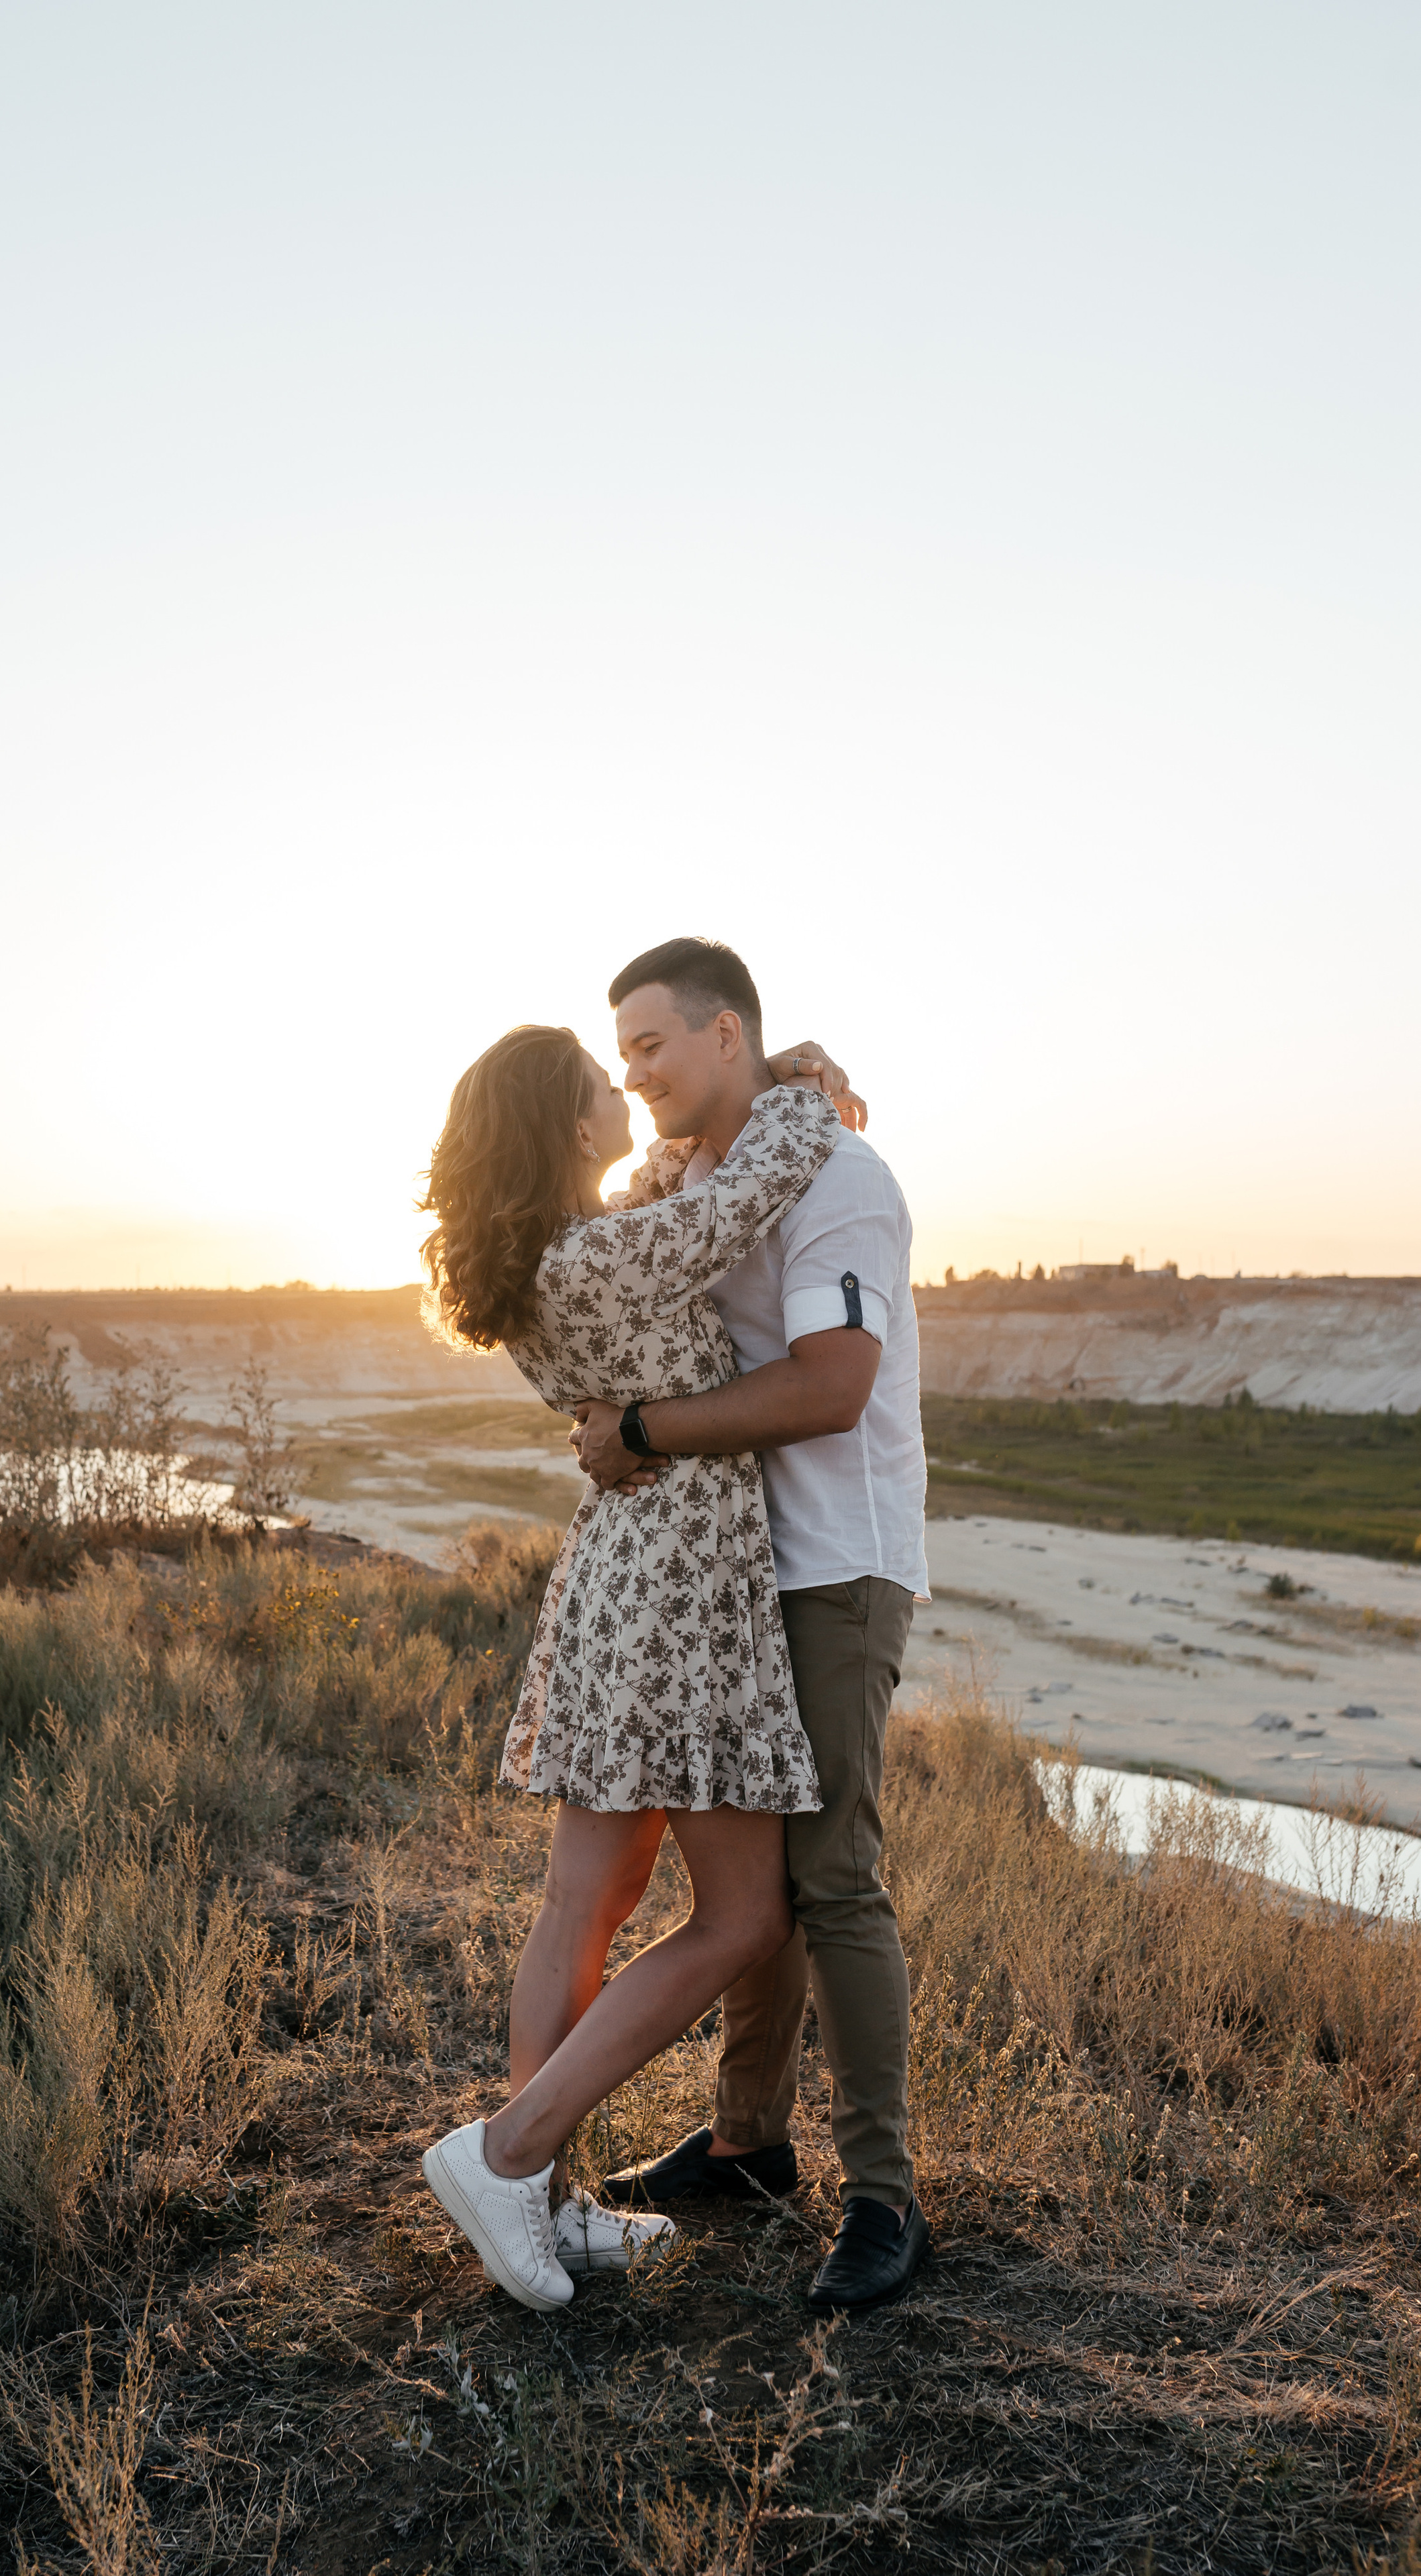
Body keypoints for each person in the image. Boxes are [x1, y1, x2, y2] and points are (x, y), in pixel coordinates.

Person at [416, 1025, 848, 2310]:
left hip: (622, 1577)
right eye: (605, 1080)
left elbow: (671, 1187)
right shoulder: (603, 1257)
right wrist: (797, 1090)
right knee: (743, 1917)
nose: (628, 1091)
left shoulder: (563, 1255)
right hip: (682, 1587)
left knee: (584, 1903)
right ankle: (508, 2155)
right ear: (563, 1121)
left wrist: (715, 1118)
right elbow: (745, 1193)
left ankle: (541, 2207)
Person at [574, 937, 932, 2315]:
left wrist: (642, 1432)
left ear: (728, 1033)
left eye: (653, 1045)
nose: (636, 1073)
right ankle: (746, 2145)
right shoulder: (694, 1185)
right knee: (747, 1894)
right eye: (620, 1057)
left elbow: (832, 1383)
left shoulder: (836, 1179)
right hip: (731, 1572)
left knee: (832, 1876)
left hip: (835, 1565)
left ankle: (886, 2202)